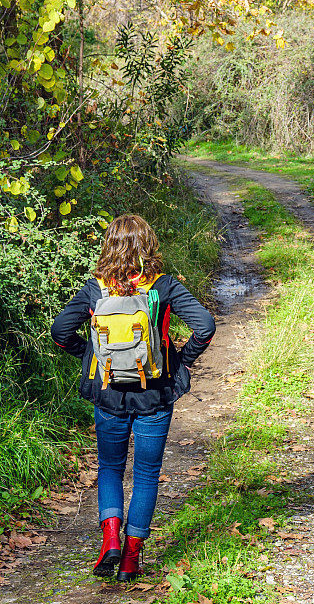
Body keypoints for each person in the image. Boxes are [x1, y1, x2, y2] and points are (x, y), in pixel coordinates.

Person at [51, 213, 216, 581]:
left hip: (108, 392)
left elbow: (60, 331)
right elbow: (204, 326)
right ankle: (130, 559)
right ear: (149, 246)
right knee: (146, 473)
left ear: (110, 245)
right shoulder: (163, 286)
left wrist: (87, 354)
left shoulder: (95, 289)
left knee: (110, 467)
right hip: (155, 392)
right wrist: (180, 362)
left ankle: (110, 539)